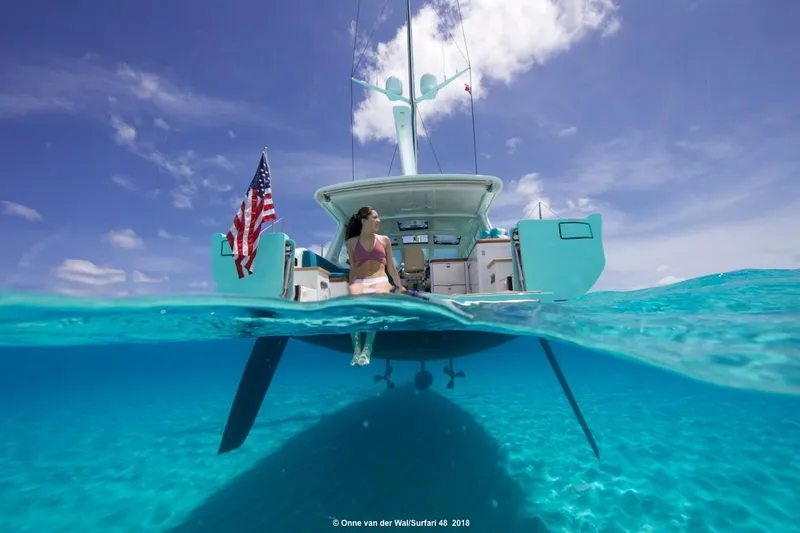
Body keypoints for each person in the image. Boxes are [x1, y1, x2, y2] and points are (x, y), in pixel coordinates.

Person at [345, 206, 406, 366]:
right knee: (353, 314)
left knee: (372, 309)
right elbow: (352, 269)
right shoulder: (351, 242)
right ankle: (356, 349)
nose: (379, 220)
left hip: (380, 280)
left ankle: (367, 348)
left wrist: (399, 285)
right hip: (360, 281)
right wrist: (351, 287)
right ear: (364, 220)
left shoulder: (384, 240)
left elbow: (391, 267)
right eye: (375, 217)